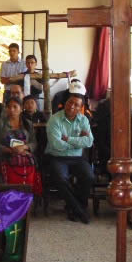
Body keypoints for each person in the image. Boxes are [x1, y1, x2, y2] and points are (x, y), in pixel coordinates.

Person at [92, 91, 132, 228]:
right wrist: (115, 157)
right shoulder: (104, 116)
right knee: (120, 175)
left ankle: (131, 208)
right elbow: (101, 143)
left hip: (129, 157)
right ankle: (129, 211)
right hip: (110, 157)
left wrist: (129, 157)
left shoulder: (131, 115)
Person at [44, 93, 94, 223]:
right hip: (57, 157)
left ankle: (75, 207)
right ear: (65, 103)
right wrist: (78, 142)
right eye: (70, 102)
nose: (72, 106)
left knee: (89, 176)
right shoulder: (54, 119)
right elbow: (56, 144)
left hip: (77, 157)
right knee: (61, 178)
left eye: (76, 105)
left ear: (80, 108)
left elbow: (89, 142)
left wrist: (68, 139)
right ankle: (79, 210)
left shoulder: (83, 120)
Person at [0, 97, 38, 190]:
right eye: (9, 107)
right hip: (5, 156)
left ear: (21, 108)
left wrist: (24, 147)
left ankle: (26, 193)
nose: (11, 110)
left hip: (25, 157)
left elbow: (34, 142)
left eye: (15, 107)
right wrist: (10, 150)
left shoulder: (27, 124)